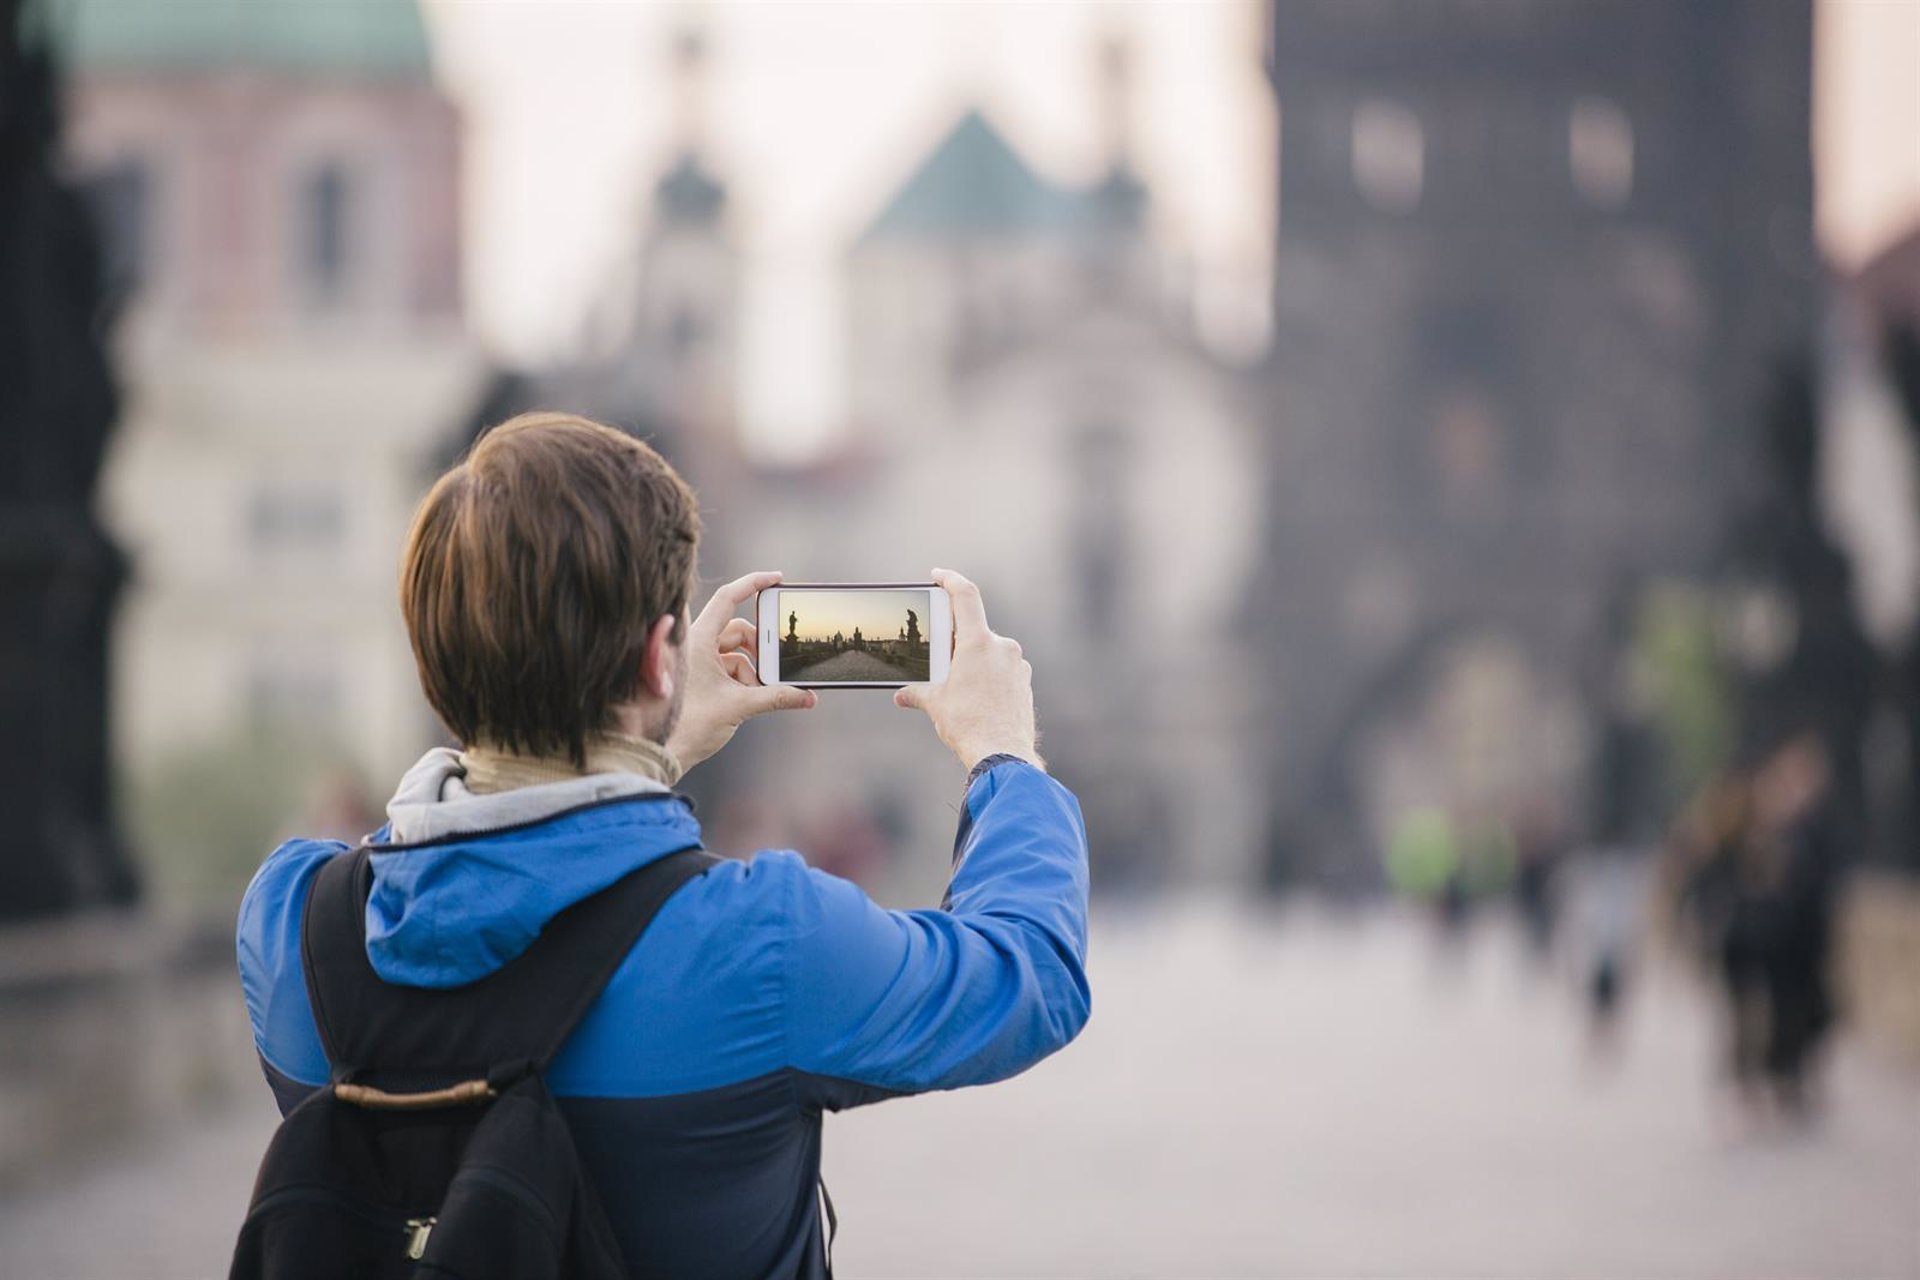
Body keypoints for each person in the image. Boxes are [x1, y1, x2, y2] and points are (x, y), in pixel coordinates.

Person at [235, 412, 1090, 1278]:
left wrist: (656, 749)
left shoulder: (292, 926)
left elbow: (471, 880)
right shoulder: (763, 942)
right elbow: (1028, 975)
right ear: (659, 659)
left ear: (430, 657)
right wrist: (1002, 751)